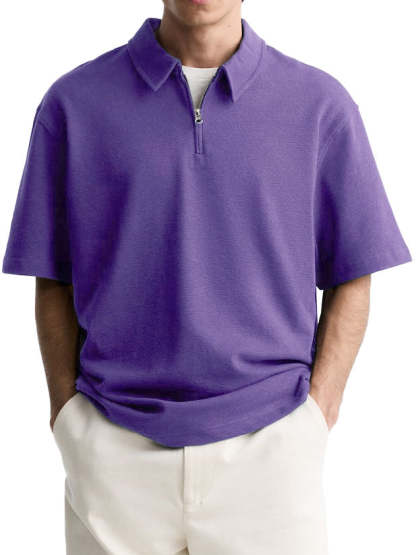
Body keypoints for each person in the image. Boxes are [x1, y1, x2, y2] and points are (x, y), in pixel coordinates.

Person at [2, 1, 412, 553]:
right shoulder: (73, 104)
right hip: (114, 451)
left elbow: (354, 271)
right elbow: (52, 274)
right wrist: (67, 417)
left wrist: (318, 413)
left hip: (270, 451)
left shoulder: (320, 105)